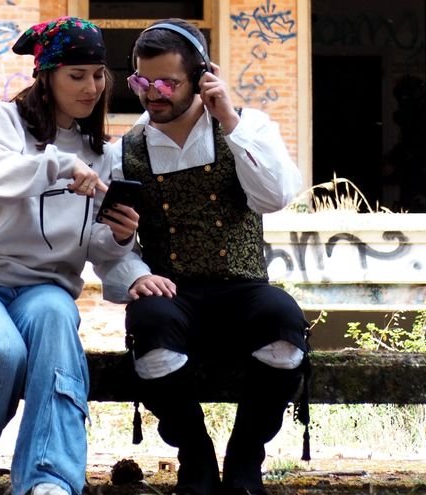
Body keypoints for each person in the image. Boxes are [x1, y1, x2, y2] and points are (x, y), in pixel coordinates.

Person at [0, 16, 138, 495]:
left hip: (42, 291)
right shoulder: (3, 123)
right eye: (76, 75)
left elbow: (92, 247)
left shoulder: (103, 153)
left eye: (98, 74)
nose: (91, 87)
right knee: (0, 350)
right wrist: (58, 163)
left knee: (57, 322)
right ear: (47, 76)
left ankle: (48, 480)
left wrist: (117, 238)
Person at [95, 18, 310, 495]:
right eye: (142, 82)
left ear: (202, 77)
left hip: (243, 288)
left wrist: (230, 120)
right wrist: (132, 270)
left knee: (284, 329)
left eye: (167, 82)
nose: (153, 94)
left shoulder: (245, 128)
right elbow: (105, 247)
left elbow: (277, 196)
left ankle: (245, 457)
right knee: (148, 329)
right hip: (174, 291)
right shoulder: (123, 152)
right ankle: (195, 455)